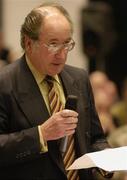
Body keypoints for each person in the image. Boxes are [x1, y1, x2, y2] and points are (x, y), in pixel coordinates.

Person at [0, 2, 113, 180]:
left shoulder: (80, 78)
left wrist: (107, 162)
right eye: (53, 45)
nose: (62, 55)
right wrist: (41, 134)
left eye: (67, 44)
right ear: (29, 44)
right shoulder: (4, 83)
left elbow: (95, 137)